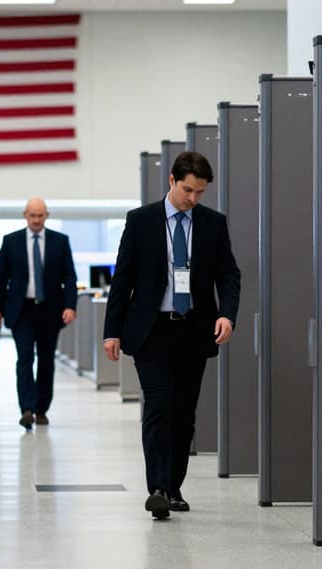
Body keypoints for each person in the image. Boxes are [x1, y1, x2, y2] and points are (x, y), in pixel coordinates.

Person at [102, 151, 240, 520]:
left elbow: (228, 275)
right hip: (152, 330)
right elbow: (124, 279)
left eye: (200, 193)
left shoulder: (213, 223)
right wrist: (111, 331)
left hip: (194, 329)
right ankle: (158, 488)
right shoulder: (142, 221)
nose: (193, 199)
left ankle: (174, 485)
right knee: (158, 407)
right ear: (172, 181)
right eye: (187, 190)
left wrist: (227, 314)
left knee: (183, 415)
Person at [0, 198, 78, 430]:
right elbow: (0, 278)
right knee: (25, 357)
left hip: (50, 310)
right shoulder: (11, 241)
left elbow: (69, 277)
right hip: (22, 310)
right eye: (32, 216)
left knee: (46, 360)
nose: (37, 220)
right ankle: (27, 409)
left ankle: (41, 409)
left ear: (46, 216)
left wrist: (70, 306)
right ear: (25, 215)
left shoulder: (60, 242)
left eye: (40, 216)